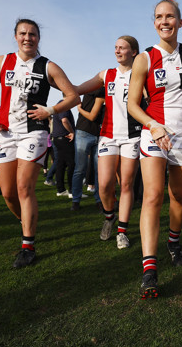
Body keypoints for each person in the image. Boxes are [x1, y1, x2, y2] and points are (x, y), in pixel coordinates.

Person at [0, 18, 79, 268]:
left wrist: (51, 110)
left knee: (24, 188)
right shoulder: (1, 61)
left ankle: (28, 245)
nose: (27, 38)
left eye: (32, 34)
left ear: (38, 38)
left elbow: (73, 96)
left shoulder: (48, 66)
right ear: (15, 36)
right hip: (4, 133)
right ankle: (27, 222)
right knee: (8, 193)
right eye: (23, 33)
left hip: (33, 132)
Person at [127, 0, 182, 299]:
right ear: (154, 23)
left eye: (170, 16)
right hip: (154, 134)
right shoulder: (144, 58)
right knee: (153, 196)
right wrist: (153, 125)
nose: (164, 21)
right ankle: (149, 267)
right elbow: (132, 104)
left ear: (180, 22)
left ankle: (173, 241)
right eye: (159, 16)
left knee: (179, 196)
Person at [76, 35, 141, 249]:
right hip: (108, 134)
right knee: (104, 185)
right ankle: (109, 216)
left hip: (132, 135)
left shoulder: (141, 73)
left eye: (122, 48)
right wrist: (66, 87)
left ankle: (122, 231)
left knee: (126, 184)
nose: (117, 51)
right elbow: (80, 88)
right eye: (115, 47)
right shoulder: (107, 74)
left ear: (133, 51)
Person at [70, 89, 104, 211]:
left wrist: (79, 109)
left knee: (84, 169)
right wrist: (79, 109)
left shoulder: (90, 91)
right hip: (88, 133)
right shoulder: (100, 92)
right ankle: (97, 200)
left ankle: (77, 201)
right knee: (84, 169)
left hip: (93, 133)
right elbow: (93, 116)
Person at [51, 102, 76, 197]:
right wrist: (72, 132)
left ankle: (60, 189)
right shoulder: (64, 105)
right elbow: (64, 120)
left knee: (60, 164)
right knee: (71, 164)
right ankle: (72, 191)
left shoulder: (58, 105)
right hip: (65, 138)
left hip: (58, 138)